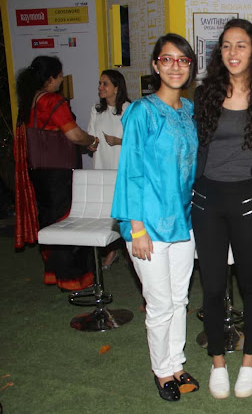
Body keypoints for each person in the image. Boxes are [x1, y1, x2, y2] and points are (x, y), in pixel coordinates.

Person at [192, 18, 252, 400]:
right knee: (212, 287)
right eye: (227, 45)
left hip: (249, 197)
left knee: (250, 284)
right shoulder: (204, 95)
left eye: (241, 45)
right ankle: (217, 361)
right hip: (207, 199)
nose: (233, 52)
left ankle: (250, 358)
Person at [111, 33, 199, 402]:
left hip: (182, 221)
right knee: (160, 303)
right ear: (155, 65)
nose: (175, 66)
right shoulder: (141, 113)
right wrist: (136, 228)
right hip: (146, 223)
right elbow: (129, 170)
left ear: (190, 67)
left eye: (183, 60)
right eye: (168, 59)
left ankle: (176, 363)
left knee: (179, 300)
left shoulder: (189, 111)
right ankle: (162, 370)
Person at [14, 55, 99, 291]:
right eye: (60, 76)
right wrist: (91, 140)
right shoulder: (52, 101)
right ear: (51, 78)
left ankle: (54, 273)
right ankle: (72, 278)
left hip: (38, 171)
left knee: (50, 221)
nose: (62, 80)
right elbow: (73, 135)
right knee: (68, 221)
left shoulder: (30, 100)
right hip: (59, 171)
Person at [87, 69, 131, 269]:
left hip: (121, 167)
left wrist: (119, 141)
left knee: (123, 211)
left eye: (105, 84)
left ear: (116, 87)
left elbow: (138, 141)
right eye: (99, 83)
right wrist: (91, 144)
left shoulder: (128, 108)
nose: (100, 87)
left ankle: (126, 248)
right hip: (102, 166)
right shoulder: (96, 110)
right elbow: (90, 137)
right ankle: (110, 251)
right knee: (105, 211)